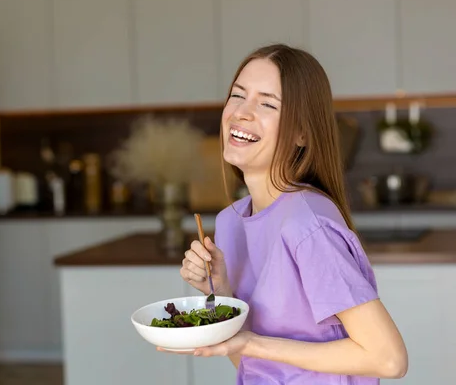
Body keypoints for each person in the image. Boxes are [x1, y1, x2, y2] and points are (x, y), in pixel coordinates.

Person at [163, 44, 408, 384]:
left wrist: (253, 342)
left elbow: (388, 359)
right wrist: (220, 290)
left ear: (301, 133)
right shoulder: (230, 222)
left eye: (267, 103)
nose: (241, 113)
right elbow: (250, 365)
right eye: (237, 96)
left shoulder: (307, 224)